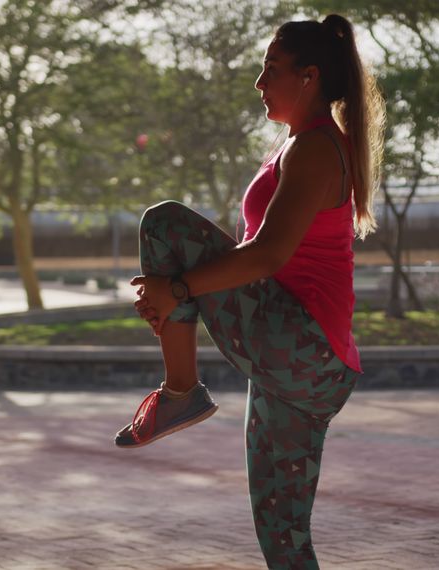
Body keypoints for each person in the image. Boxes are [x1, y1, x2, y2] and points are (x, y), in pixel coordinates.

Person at [115, 13, 385, 569]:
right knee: (283, 540)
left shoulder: (313, 148)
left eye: (270, 69)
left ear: (308, 76)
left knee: (164, 224)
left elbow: (267, 256)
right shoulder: (303, 146)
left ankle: (181, 390)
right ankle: (180, 389)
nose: (260, 83)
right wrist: (175, 292)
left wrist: (179, 287)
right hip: (307, 366)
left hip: (298, 343)